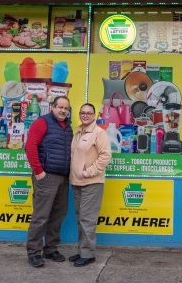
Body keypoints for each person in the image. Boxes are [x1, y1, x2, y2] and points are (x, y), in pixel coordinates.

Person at [24, 96, 72, 267]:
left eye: (66, 108)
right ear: (52, 107)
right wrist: (39, 172)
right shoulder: (42, 122)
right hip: (46, 176)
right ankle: (34, 253)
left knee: (58, 216)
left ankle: (50, 249)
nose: (63, 111)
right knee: (41, 216)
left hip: (63, 178)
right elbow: (30, 146)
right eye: (60, 107)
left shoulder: (68, 127)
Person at [68, 103, 112, 267]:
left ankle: (88, 254)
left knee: (87, 219)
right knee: (80, 218)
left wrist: (88, 172)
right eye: (82, 112)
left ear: (94, 115)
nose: (85, 115)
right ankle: (82, 250)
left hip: (92, 183)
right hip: (76, 183)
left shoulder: (99, 133)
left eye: (89, 113)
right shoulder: (78, 132)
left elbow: (106, 156)